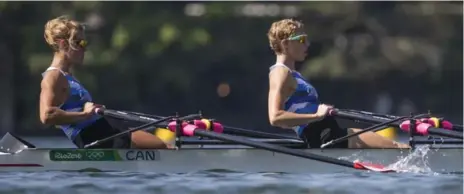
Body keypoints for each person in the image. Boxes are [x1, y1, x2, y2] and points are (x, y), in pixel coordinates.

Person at [266, 18, 409, 149]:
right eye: (302, 40)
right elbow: (276, 117)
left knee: (398, 146)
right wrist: (316, 116)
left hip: (330, 133)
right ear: (285, 44)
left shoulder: (293, 74)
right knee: (399, 148)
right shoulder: (281, 73)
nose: (307, 44)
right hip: (325, 137)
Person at [39, 16, 174, 149]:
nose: (84, 48)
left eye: (85, 43)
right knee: (166, 148)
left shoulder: (67, 76)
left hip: (104, 129)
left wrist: (89, 111)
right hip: (95, 136)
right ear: (63, 44)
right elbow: (47, 115)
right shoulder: (53, 76)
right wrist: (85, 114)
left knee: (167, 146)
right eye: (79, 43)